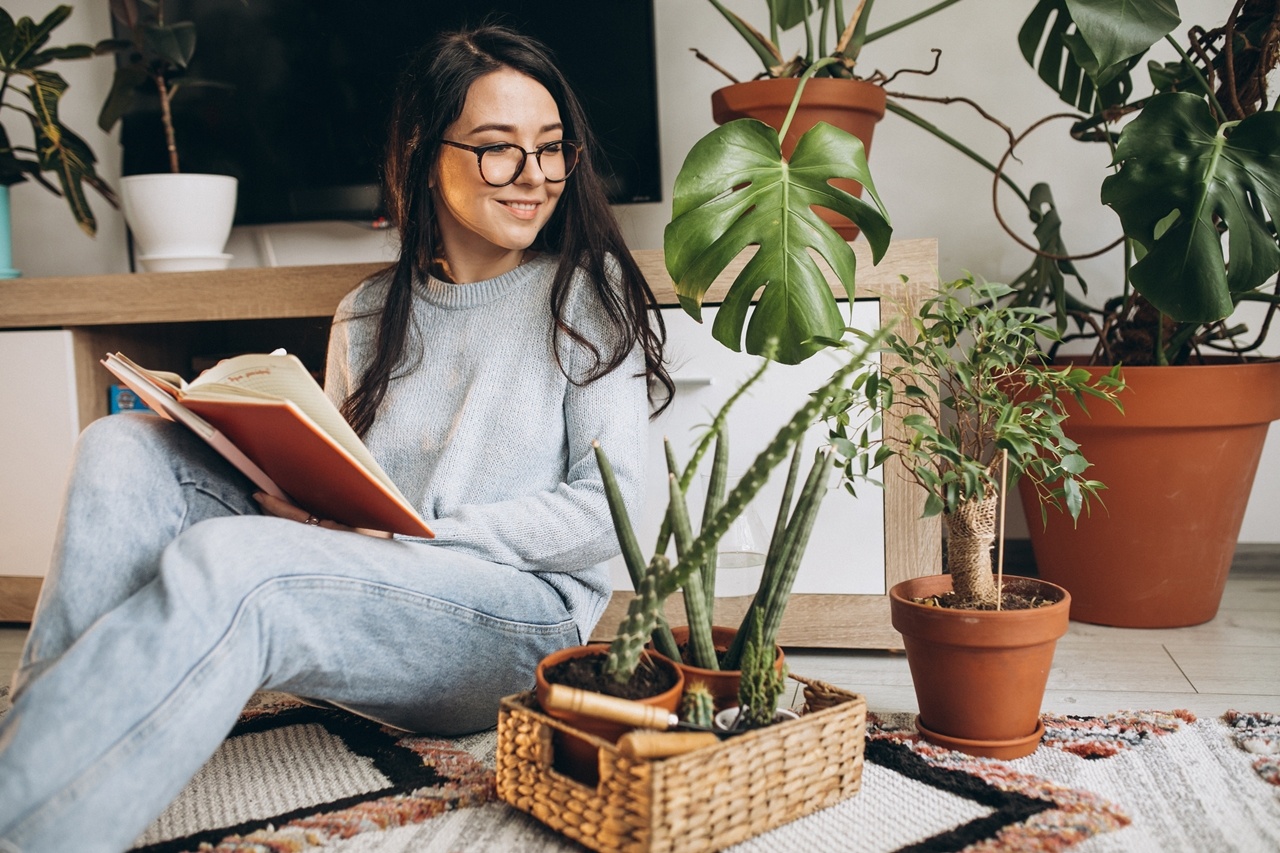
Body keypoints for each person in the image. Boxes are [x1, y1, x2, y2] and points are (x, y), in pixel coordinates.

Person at [0, 24, 671, 853]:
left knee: (239, 568)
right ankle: (31, 755)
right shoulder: (364, 313)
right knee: (121, 446)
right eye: (500, 150)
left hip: (518, 622)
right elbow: (343, 485)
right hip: (379, 594)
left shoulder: (585, 290)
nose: (536, 176)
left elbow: (612, 512)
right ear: (429, 152)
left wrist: (421, 532)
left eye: (552, 148)